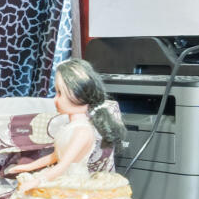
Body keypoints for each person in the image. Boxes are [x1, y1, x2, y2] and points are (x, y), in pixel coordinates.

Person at [15, 58, 128, 191]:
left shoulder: (82, 131)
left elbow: (63, 165)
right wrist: (29, 167)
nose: (55, 99)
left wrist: (38, 181)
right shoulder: (69, 128)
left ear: (78, 95)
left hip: (73, 185)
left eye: (60, 93)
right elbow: (57, 155)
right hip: (62, 179)